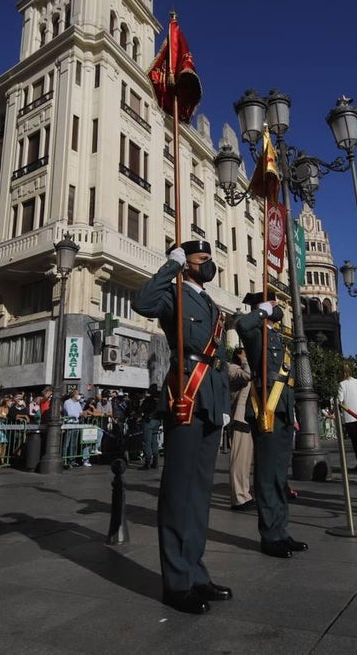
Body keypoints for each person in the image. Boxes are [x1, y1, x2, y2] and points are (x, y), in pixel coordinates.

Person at [133, 240, 231, 615]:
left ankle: (196, 571)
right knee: (178, 492)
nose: (209, 264)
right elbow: (142, 303)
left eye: (210, 259)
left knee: (200, 493)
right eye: (202, 259)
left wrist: (223, 404)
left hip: (210, 396)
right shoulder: (173, 293)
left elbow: (219, 357)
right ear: (186, 263)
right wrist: (169, 267)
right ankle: (176, 582)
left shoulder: (211, 304)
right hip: (186, 393)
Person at [236, 292, 308, 560]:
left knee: (279, 476)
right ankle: (270, 535)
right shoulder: (255, 333)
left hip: (282, 410)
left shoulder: (276, 337)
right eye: (273, 305)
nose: (278, 309)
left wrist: (293, 413)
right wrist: (263, 310)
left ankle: (280, 530)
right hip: (265, 409)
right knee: (267, 476)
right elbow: (242, 325)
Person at [227, 347, 255, 510]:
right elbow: (248, 375)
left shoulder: (242, 368)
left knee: (246, 462)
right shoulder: (232, 368)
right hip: (239, 418)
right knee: (239, 461)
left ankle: (245, 494)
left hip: (248, 418)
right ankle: (238, 497)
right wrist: (245, 360)